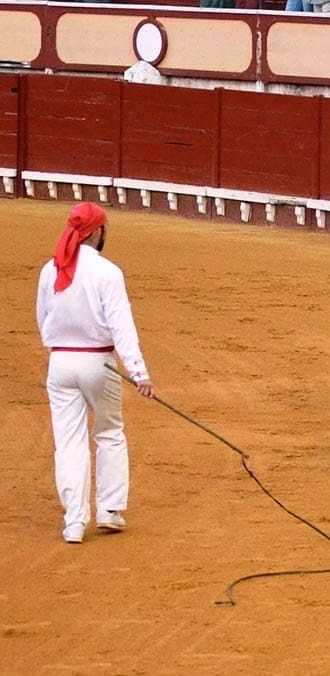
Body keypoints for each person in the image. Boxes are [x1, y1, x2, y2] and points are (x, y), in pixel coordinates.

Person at [36, 203, 156, 544]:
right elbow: (122, 327)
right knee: (110, 432)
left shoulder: (50, 269)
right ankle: (108, 510)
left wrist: (59, 350)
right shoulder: (107, 272)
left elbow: (41, 317)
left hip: (60, 363)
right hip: (98, 363)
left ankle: (74, 521)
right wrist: (139, 372)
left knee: (68, 442)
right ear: (97, 231)